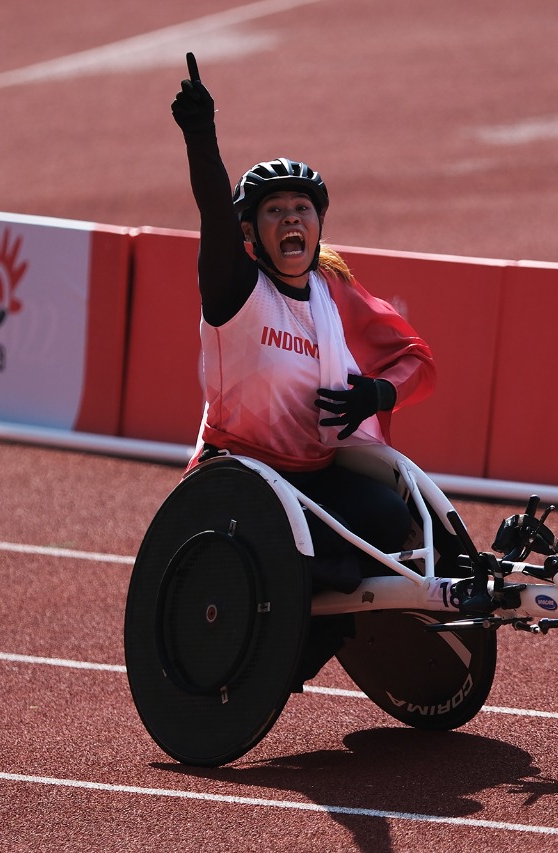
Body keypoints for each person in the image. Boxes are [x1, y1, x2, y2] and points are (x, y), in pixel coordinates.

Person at [170, 52, 437, 600]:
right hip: (240, 474)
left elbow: (419, 361)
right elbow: (214, 211)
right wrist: (201, 135)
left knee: (392, 518)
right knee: (315, 552)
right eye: (274, 210)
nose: (291, 216)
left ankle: (312, 575)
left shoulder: (334, 290)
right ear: (250, 231)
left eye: (302, 208)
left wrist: (378, 393)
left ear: (317, 224)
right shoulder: (235, 287)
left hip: (314, 475)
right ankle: (303, 575)